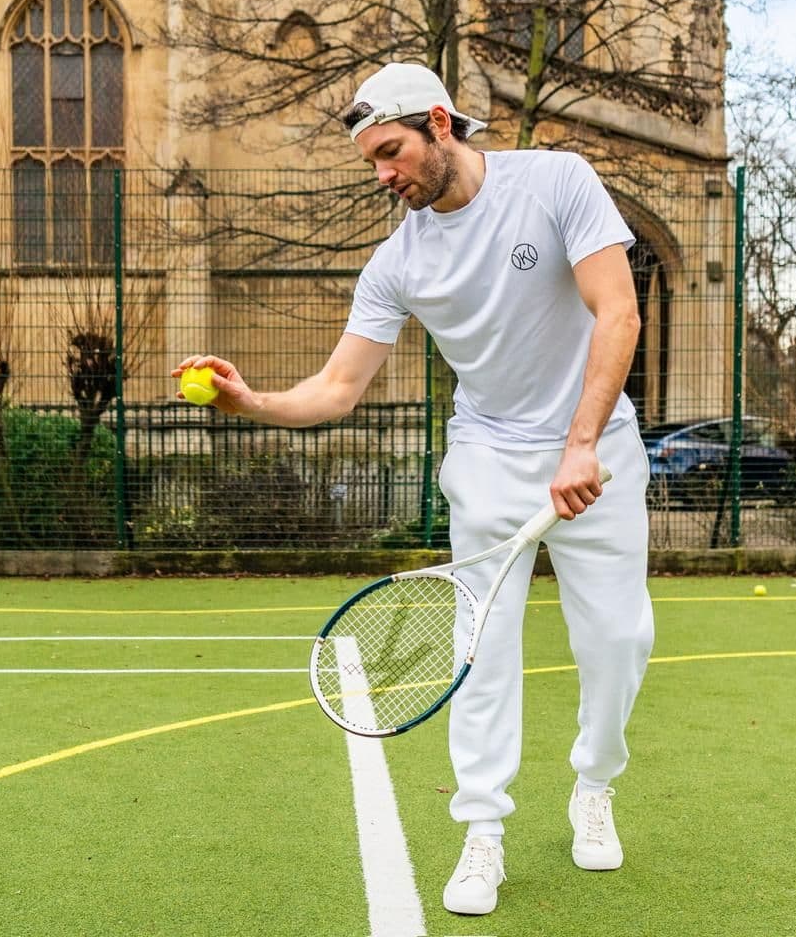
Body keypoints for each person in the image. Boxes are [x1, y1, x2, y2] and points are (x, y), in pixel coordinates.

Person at [175, 61, 654, 918]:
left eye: (390, 151)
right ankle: (482, 832)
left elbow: (617, 312)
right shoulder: (396, 263)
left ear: (440, 122)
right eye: (372, 163)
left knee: (619, 644)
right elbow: (335, 389)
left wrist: (580, 445)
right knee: (479, 653)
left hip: (597, 453)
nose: (383, 174)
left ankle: (594, 784)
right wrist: (251, 400)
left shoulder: (555, 181)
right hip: (487, 461)